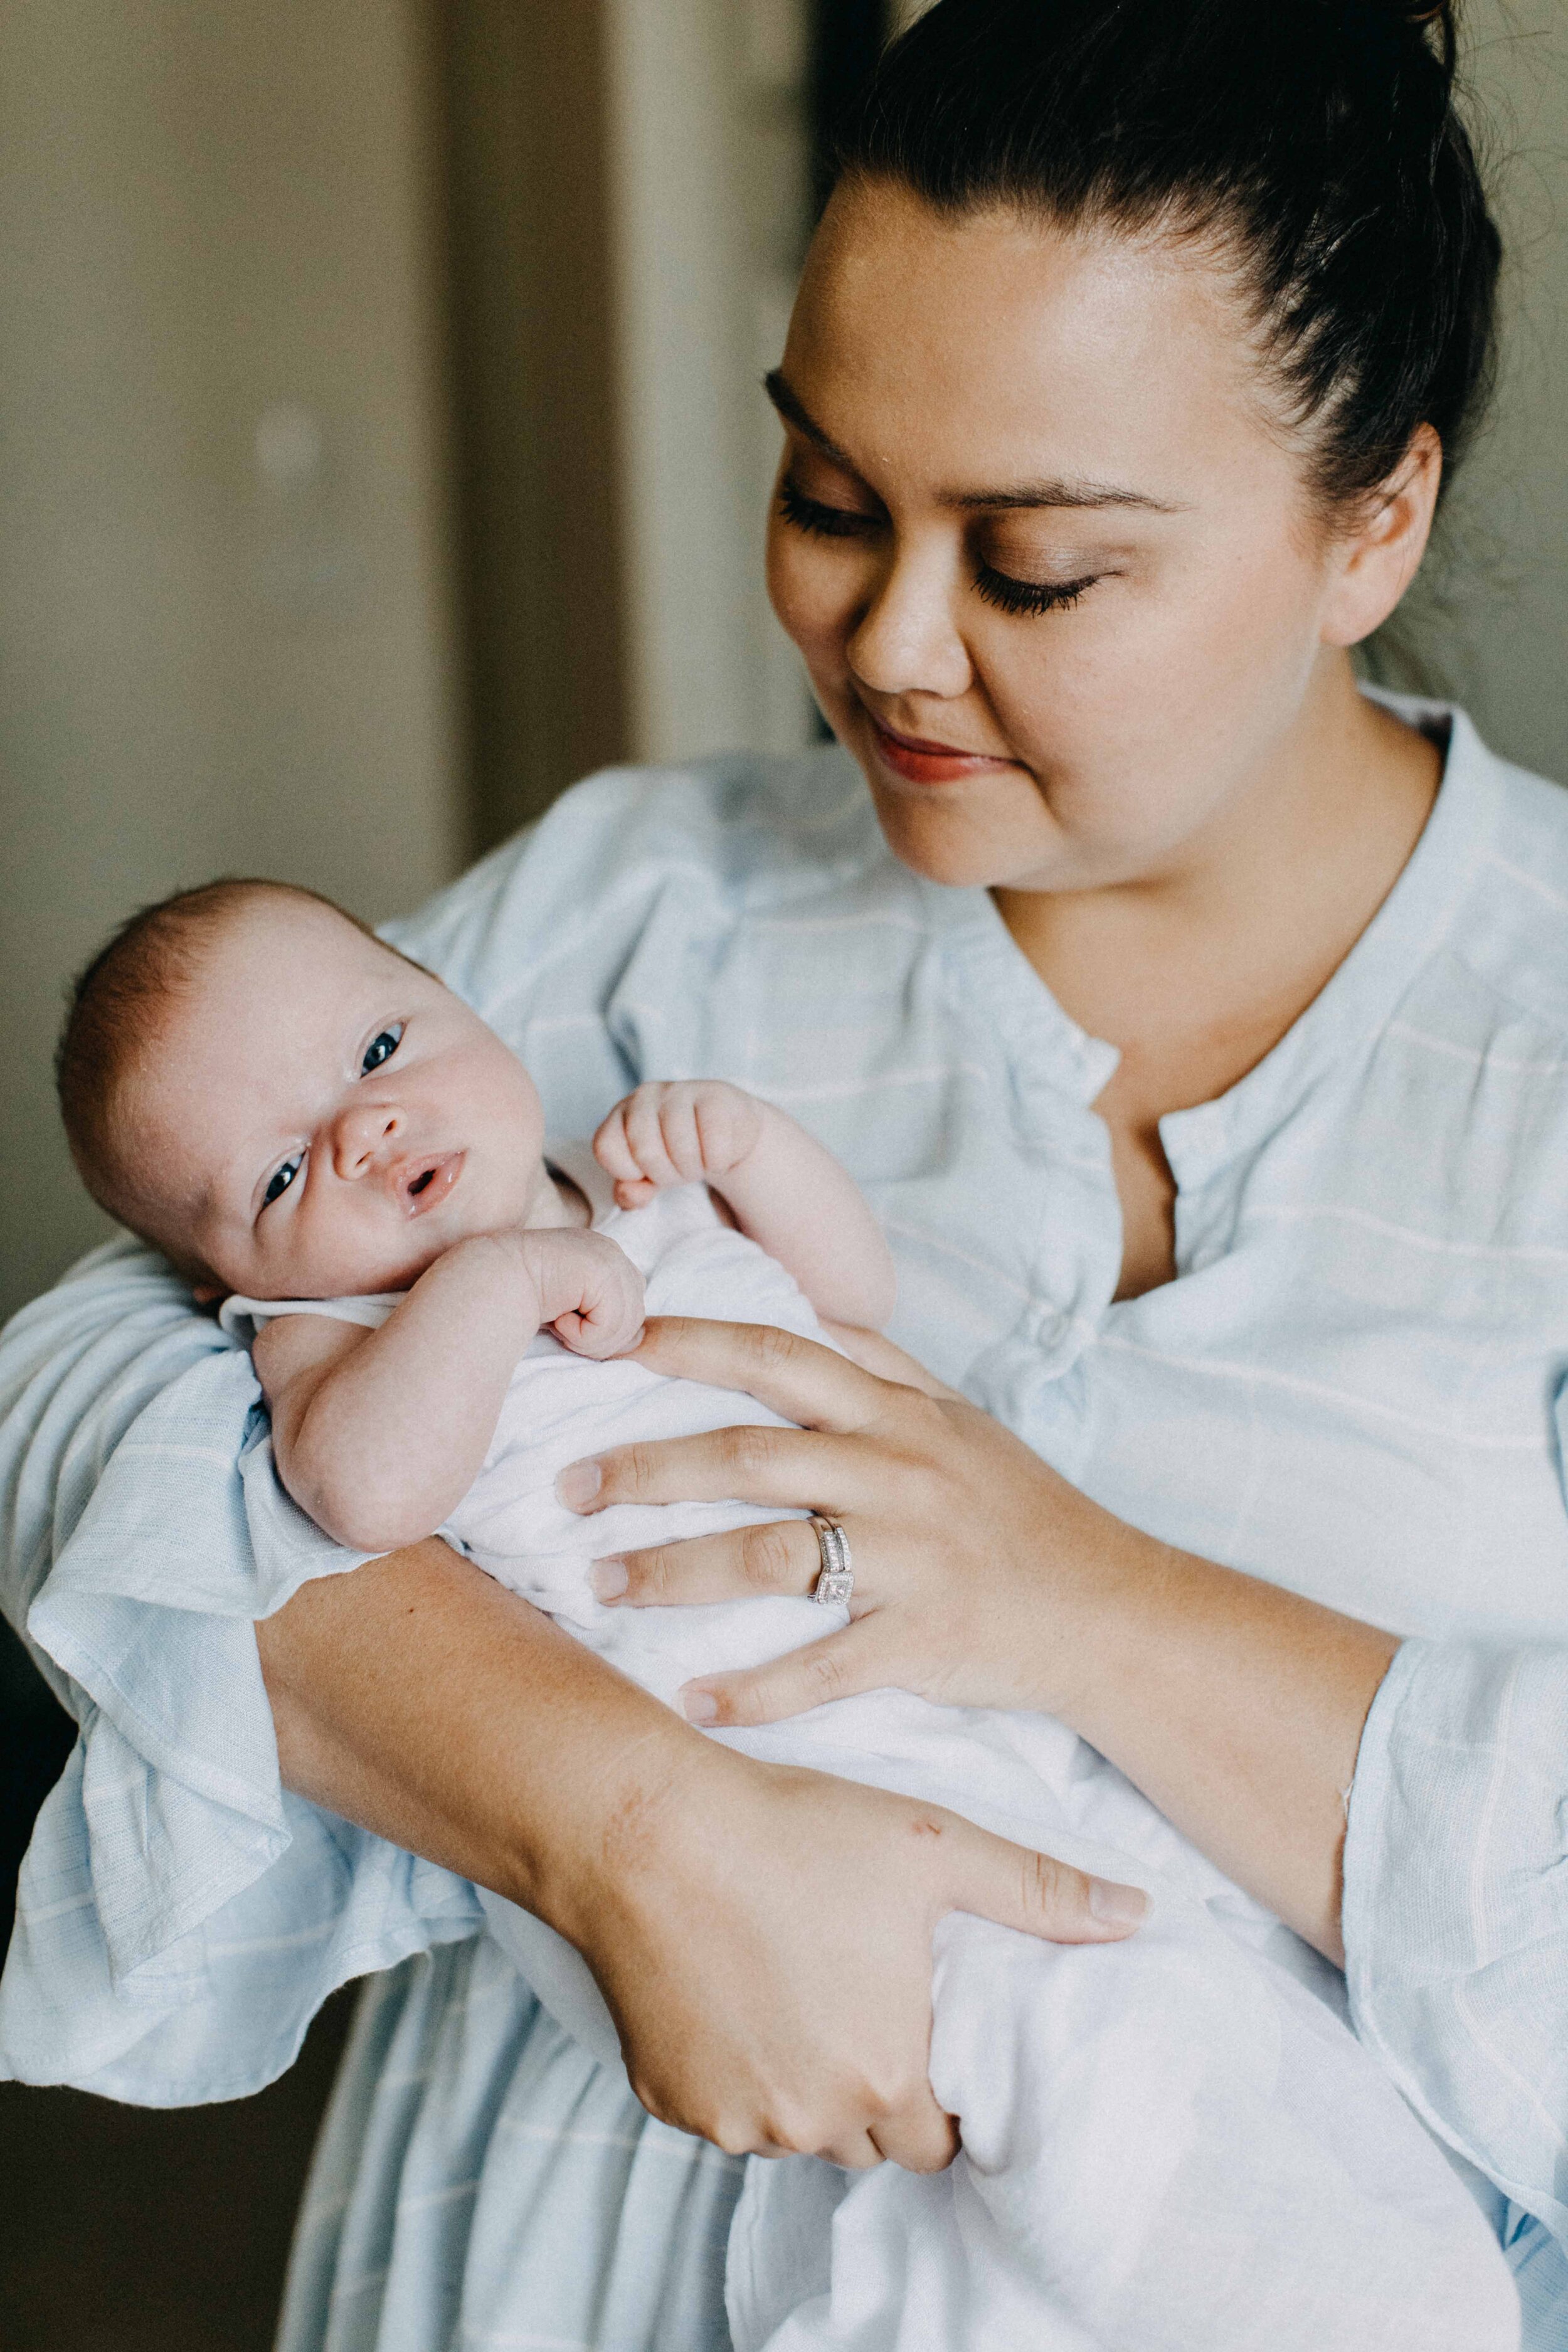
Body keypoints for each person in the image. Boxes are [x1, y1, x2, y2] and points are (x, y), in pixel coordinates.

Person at [4, 0, 1567, 2344]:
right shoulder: (651, 908)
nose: (886, 646)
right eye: (831, 498)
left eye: (1036, 564)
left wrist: (1072, 1592)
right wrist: (624, 1822)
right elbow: (91, 1401)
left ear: (1376, 523)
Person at [40, 874, 1515, 2349]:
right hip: (737, 1765)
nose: (362, 1133)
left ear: (470, 1007)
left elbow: (847, 1291)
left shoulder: (633, 1186)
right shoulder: (328, 1333)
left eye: (377, 1055)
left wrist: (752, 1154)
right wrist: (492, 1291)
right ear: (219, 1280)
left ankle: (1322, 2250)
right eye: (282, 1179)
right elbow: (358, 1495)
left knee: (1156, 1959)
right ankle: (1324, 2305)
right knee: (1030, 2029)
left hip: (932, 1696)